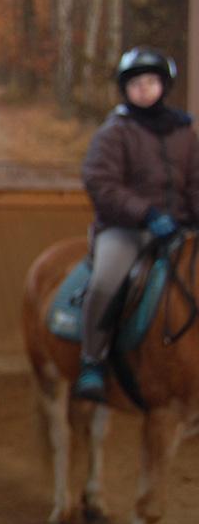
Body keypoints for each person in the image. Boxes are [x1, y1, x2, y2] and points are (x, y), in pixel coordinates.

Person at [76, 46, 199, 401]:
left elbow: (195, 182)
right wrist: (147, 214)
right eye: (136, 84)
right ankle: (92, 361)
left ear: (163, 86)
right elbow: (101, 182)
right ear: (125, 89)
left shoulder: (184, 133)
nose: (144, 89)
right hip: (126, 228)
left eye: (150, 82)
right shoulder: (115, 132)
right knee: (106, 281)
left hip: (179, 228)